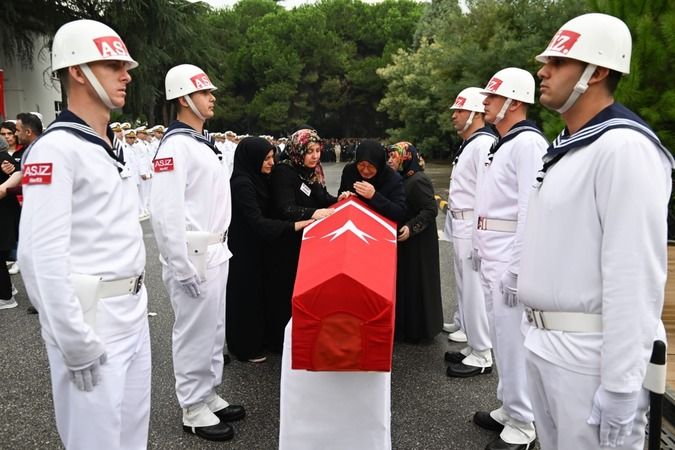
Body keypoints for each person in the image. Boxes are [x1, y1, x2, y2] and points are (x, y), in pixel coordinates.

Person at [518, 13, 674, 450]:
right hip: (545, 344)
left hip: (588, 355)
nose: (542, 72)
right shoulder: (570, 148)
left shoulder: (625, 147)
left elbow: (635, 275)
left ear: (597, 71)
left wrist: (622, 387)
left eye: (558, 62)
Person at [16, 19, 151, 449]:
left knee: (132, 435)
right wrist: (72, 340)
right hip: (92, 318)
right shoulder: (57, 148)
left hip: (131, 311)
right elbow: (39, 257)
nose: (126, 74)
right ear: (77, 70)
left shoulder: (108, 144)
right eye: (113, 64)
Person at [150, 63, 245, 442]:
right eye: (205, 92)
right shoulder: (174, 146)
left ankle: (208, 394)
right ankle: (192, 406)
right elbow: (165, 211)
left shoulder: (199, 143)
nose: (212, 98)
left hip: (215, 250)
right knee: (193, 331)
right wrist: (180, 263)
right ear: (185, 99)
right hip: (193, 253)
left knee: (213, 330)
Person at [472, 67, 548, 450]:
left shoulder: (527, 144)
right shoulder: (504, 142)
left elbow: (528, 210)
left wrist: (519, 268)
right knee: (502, 337)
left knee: (514, 341)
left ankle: (524, 423)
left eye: (492, 96)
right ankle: (509, 404)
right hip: (493, 253)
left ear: (514, 101)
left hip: (508, 257)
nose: (484, 102)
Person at [226, 136, 314, 362]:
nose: (271, 163)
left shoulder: (258, 178)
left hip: (260, 246)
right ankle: (245, 348)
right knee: (246, 298)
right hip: (245, 249)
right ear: (253, 159)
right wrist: (293, 225)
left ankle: (260, 340)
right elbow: (256, 221)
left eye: (272, 157)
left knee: (259, 296)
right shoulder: (242, 184)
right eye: (266, 158)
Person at [267, 128, 337, 352]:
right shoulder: (284, 172)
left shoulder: (309, 172)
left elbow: (323, 197)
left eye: (317, 150)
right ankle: (281, 342)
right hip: (285, 241)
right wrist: (314, 213)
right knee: (284, 291)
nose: (315, 156)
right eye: (309, 151)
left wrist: (340, 199)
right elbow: (285, 208)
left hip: (305, 241)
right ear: (297, 151)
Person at [443, 88, 498, 378]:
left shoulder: (483, 144)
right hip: (461, 222)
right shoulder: (471, 143)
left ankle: (482, 352)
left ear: (475, 113)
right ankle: (473, 342)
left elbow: (485, 194)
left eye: (460, 110)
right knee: (465, 286)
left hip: (472, 224)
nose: (454, 115)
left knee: (475, 289)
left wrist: (480, 234)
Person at [386, 141, 443, 342]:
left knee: (420, 283)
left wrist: (411, 227)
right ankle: (410, 328)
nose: (390, 160)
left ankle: (422, 331)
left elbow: (430, 210)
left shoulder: (418, 180)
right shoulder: (402, 178)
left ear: (406, 158)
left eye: (395, 156)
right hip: (408, 241)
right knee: (409, 284)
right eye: (390, 156)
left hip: (419, 242)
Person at [338, 139, 406, 223]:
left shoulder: (393, 178)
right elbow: (341, 195)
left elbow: (400, 213)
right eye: (361, 164)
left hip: (380, 227)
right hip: (354, 224)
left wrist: (373, 196)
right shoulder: (350, 171)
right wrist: (344, 198)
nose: (365, 170)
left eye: (370, 166)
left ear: (379, 164)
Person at [0, 136, 19, 309]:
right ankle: (8, 289)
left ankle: (6, 296)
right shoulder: (5, 157)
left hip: (4, 213)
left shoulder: (5, 159)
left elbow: (20, 175)